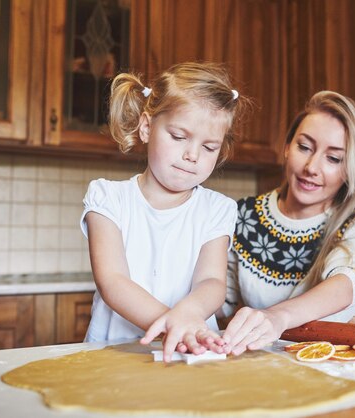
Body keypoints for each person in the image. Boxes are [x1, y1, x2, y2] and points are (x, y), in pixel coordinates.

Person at [80, 62, 243, 361]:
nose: (192, 155)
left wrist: (189, 315)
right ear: (146, 127)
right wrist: (175, 324)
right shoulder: (108, 198)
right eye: (179, 137)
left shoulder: (218, 209)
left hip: (190, 353)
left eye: (209, 147)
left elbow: (212, 281)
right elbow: (113, 281)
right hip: (114, 353)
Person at [218, 90, 355, 355]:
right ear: (287, 147)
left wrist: (278, 317)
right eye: (304, 147)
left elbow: (349, 280)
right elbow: (220, 302)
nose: (311, 167)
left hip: (334, 363)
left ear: (349, 168)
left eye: (333, 158)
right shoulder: (243, 215)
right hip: (263, 365)